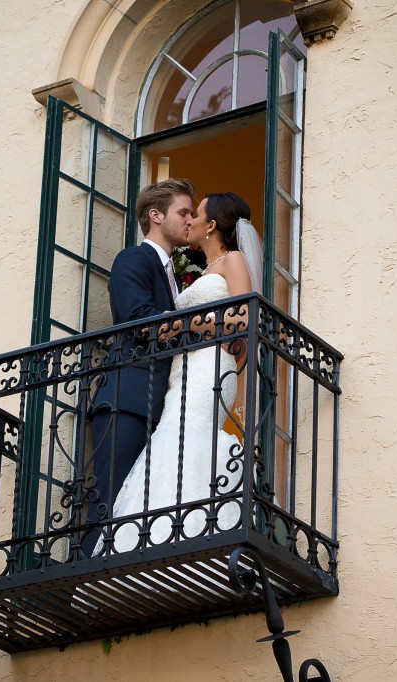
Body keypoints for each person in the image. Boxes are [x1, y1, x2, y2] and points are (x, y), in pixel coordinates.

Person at [98, 192, 264, 554]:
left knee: (189, 437)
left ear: (212, 224)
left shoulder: (233, 259)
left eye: (196, 213)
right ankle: (161, 537)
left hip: (207, 369)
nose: (190, 220)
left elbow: (244, 317)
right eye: (184, 213)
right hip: (179, 375)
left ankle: (188, 534)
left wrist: (187, 324)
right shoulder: (191, 271)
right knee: (173, 446)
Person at [84, 177, 194, 556]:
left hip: (159, 403)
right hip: (127, 398)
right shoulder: (134, 258)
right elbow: (141, 320)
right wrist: (202, 324)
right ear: (155, 216)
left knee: (137, 506)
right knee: (109, 504)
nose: (190, 220)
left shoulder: (172, 273)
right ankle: (81, 589)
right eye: (183, 212)